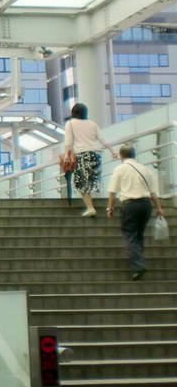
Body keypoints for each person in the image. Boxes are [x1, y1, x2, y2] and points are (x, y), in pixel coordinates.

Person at [107, 144, 166, 281]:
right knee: (138, 234)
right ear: (134, 155)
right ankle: (139, 262)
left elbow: (112, 192)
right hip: (146, 205)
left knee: (130, 235)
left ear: (121, 156)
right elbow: (152, 192)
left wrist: (110, 208)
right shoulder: (144, 169)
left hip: (130, 205)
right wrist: (158, 208)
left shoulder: (119, 169)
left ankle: (138, 266)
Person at [64, 103, 116, 217]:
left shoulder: (70, 124)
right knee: (91, 181)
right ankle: (92, 205)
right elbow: (102, 138)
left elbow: (68, 142)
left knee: (80, 183)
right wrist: (112, 151)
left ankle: (90, 207)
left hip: (82, 155)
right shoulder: (92, 124)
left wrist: (66, 155)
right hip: (95, 155)